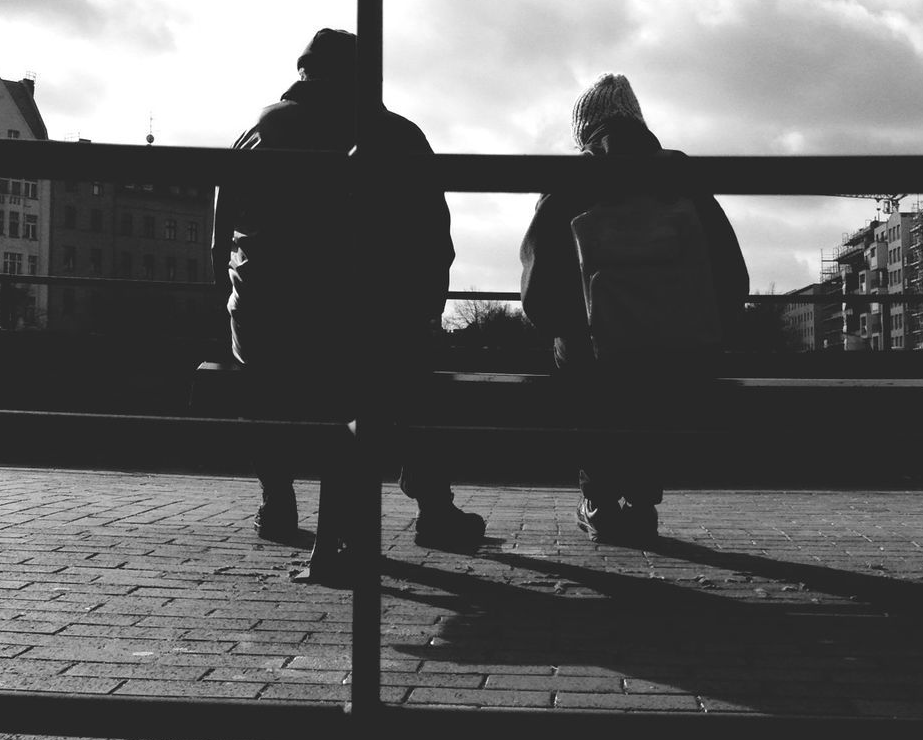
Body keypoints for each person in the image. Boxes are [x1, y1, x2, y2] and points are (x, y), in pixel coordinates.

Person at [212, 29, 485, 577]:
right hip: (367, 328)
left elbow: (221, 238)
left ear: (303, 71)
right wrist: (424, 311)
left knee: (267, 383)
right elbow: (436, 241)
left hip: (267, 328)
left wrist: (233, 302)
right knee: (387, 372)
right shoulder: (398, 135)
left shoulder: (259, 130)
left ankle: (279, 504)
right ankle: (420, 513)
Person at [519, 73, 749, 546]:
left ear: (584, 131)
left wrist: (567, 330)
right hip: (682, 355)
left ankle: (598, 499)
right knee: (657, 370)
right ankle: (640, 501)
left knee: (578, 364)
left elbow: (538, 293)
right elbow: (732, 274)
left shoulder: (569, 180)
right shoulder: (681, 175)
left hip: (596, 360)